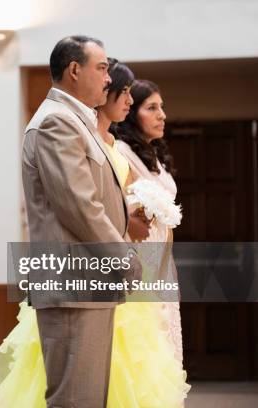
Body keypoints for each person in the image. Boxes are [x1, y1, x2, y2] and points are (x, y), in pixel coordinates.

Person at [12, 35, 141, 407]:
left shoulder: (75, 120)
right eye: (101, 68)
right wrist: (123, 257)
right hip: (73, 282)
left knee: (89, 397)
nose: (107, 77)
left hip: (88, 280)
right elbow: (80, 205)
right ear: (73, 70)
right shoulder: (57, 122)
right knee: (75, 398)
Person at [115, 79, 184, 362]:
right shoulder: (121, 152)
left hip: (162, 258)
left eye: (162, 107)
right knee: (146, 350)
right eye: (152, 107)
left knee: (169, 343)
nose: (162, 115)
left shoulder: (155, 154)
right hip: (140, 256)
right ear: (132, 114)